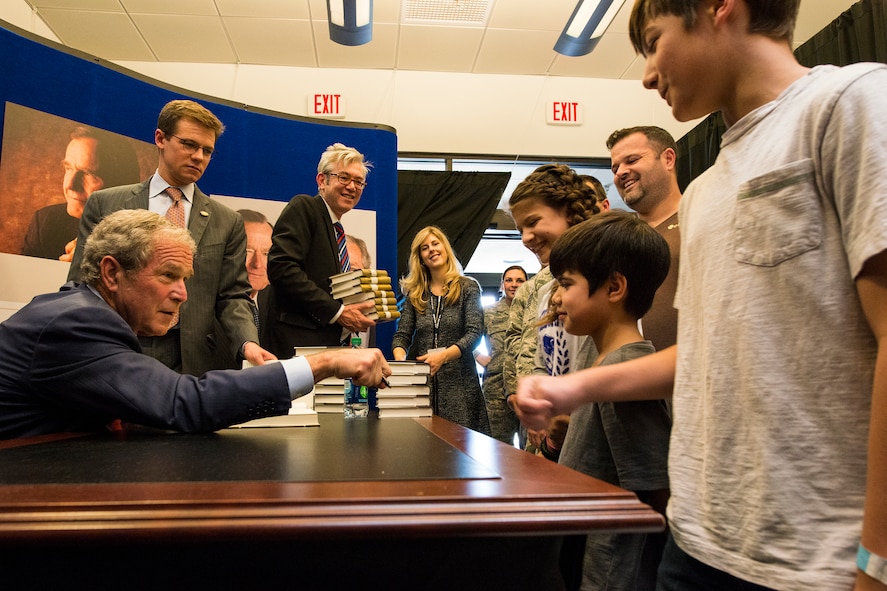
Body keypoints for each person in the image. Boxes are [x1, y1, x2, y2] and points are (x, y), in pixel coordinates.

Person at [512, 1, 887, 589]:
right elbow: (705, 354)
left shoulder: (852, 103)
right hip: (697, 545)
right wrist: (573, 387)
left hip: (817, 559)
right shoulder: (707, 190)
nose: (647, 75)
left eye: (655, 41)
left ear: (720, 10)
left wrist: (878, 560)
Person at [0, 209, 389, 440]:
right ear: (112, 273)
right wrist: (325, 364)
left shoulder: (82, 311)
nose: (183, 294)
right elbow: (182, 401)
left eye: (185, 279)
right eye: (169, 276)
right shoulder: (77, 324)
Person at [67, 99, 274, 375]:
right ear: (160, 138)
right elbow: (83, 284)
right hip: (118, 349)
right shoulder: (106, 205)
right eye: (189, 144)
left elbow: (233, 296)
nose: (199, 156)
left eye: (207, 150)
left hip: (193, 358)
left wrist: (248, 343)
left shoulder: (227, 222)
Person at [551, 211, 671, 591]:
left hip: (606, 566)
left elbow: (649, 490)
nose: (556, 297)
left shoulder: (626, 367)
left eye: (566, 284)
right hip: (579, 545)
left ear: (614, 288)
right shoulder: (595, 349)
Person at [502, 163, 600, 456]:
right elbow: (544, 359)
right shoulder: (545, 292)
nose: (526, 238)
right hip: (560, 443)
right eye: (521, 229)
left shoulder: (602, 282)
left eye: (533, 222)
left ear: (569, 212)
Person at [267, 143, 376, 356]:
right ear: (321, 180)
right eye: (343, 178)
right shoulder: (305, 207)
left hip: (327, 346)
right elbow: (282, 268)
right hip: (297, 348)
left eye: (358, 182)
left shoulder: (336, 229)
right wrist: (338, 312)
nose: (352, 187)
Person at [392, 226, 490, 435]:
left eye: (435, 244)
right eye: (425, 248)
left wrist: (444, 356)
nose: (431, 250)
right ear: (420, 258)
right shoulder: (415, 294)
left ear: (445, 248)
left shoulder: (467, 288)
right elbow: (402, 336)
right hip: (420, 385)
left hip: (460, 386)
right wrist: (401, 365)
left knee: (459, 451)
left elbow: (474, 333)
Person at [606, 126, 682, 352]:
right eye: (615, 167)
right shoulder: (617, 241)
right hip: (628, 379)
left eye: (632, 160)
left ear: (668, 159)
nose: (621, 172)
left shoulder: (700, 217)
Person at [20, 125, 140, 261]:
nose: (70, 185)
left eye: (88, 173)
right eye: (68, 168)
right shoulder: (44, 223)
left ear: (121, 184)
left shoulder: (145, 241)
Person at [475, 265, 526, 445]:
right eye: (509, 280)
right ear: (502, 285)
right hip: (496, 388)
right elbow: (468, 336)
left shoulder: (533, 313)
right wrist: (478, 356)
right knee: (498, 447)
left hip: (526, 387)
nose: (514, 284)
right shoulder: (488, 312)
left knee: (530, 448)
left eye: (520, 280)